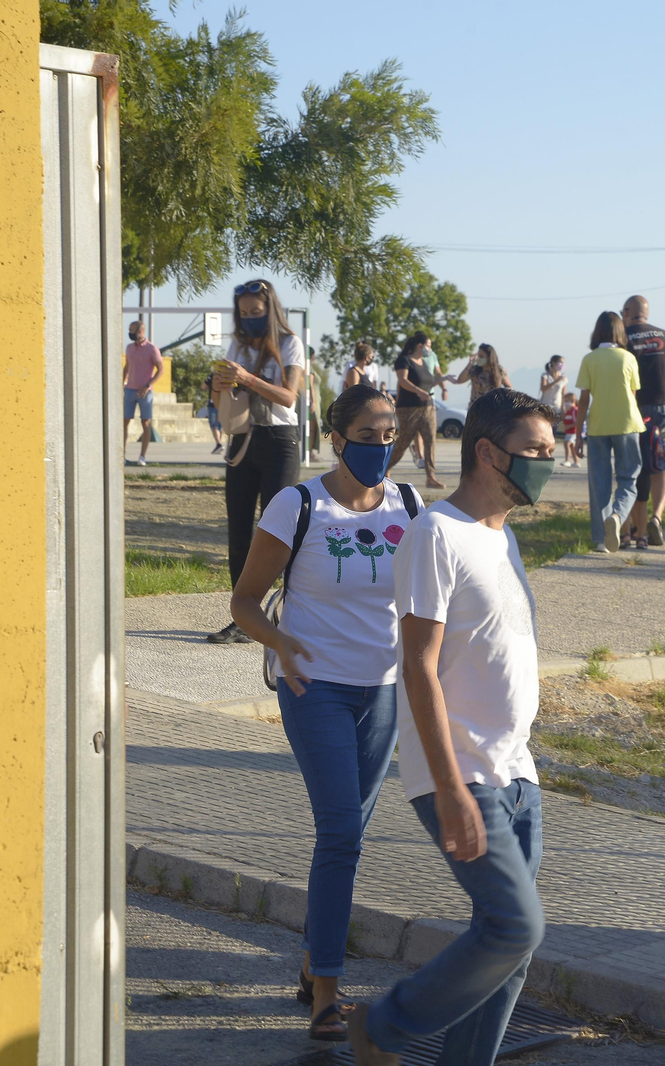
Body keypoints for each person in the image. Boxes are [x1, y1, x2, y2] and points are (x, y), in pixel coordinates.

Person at [345, 388, 558, 1066]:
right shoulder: (435, 534)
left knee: (510, 950)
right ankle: (383, 1027)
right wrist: (450, 788)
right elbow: (419, 667)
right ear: (488, 453)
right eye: (536, 452)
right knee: (514, 926)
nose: (548, 464)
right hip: (460, 775)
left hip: (516, 770)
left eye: (552, 452)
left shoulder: (504, 534)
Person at [229, 384, 420, 1043]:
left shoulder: (409, 503)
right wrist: (280, 641)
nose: (381, 446)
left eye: (389, 433)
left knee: (350, 838)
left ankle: (315, 960)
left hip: (384, 694)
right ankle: (328, 998)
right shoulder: (298, 505)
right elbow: (246, 601)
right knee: (340, 832)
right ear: (337, 439)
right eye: (368, 435)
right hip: (316, 690)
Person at [207, 278, 305, 644]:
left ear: (271, 310)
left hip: (279, 441)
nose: (249, 319)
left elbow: (288, 397)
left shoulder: (289, 344)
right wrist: (218, 383)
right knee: (238, 532)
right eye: (244, 313)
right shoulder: (238, 345)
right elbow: (225, 401)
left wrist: (248, 377)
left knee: (281, 531)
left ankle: (293, 612)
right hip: (242, 440)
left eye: (256, 313)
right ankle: (244, 619)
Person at [574, 311, 643, 553]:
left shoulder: (589, 359)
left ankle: (602, 540)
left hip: (598, 426)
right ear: (620, 332)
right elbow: (633, 396)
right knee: (629, 479)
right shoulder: (628, 358)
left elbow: (583, 401)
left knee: (599, 483)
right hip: (627, 424)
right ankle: (618, 515)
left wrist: (578, 435)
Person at [620, 295, 665, 548]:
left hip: (636, 407)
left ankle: (634, 526)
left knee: (636, 468)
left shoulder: (623, 338)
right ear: (646, 313)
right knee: (663, 466)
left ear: (626, 312)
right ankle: (656, 517)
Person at [389, 332, 445, 490]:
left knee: (430, 440)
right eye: (428, 346)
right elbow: (402, 380)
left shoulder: (424, 362)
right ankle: (384, 468)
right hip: (408, 407)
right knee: (404, 441)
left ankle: (431, 477)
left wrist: (443, 381)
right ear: (420, 346)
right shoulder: (404, 360)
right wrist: (417, 391)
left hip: (427, 407)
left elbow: (428, 382)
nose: (430, 349)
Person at [123, 320, 163, 466]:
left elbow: (161, 369)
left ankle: (142, 456)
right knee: (124, 421)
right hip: (129, 390)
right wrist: (122, 382)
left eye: (131, 330)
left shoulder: (152, 349)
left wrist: (148, 385)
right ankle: (122, 455)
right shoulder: (129, 348)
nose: (129, 333)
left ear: (140, 332)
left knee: (146, 422)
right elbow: (127, 366)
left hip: (145, 392)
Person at [203, 372, 224, 453]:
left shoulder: (212, 376)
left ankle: (219, 444)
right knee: (220, 425)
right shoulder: (227, 376)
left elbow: (203, 386)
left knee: (214, 425)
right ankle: (219, 443)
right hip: (224, 403)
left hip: (213, 403)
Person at [560, 397, 581, 467]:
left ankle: (567, 460)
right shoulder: (568, 411)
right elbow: (564, 420)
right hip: (568, 432)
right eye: (565, 401)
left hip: (573, 431)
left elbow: (578, 422)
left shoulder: (575, 410)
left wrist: (569, 426)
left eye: (567, 401)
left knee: (566, 444)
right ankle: (576, 462)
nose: (566, 403)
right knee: (572, 446)